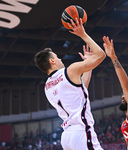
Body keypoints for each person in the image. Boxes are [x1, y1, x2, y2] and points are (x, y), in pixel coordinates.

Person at [34, 18, 106, 150]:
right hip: (81, 132)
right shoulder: (70, 71)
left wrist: (88, 66)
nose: (60, 59)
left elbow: (80, 90)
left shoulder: (47, 86)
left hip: (67, 137)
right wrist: (83, 34)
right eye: (56, 57)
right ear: (52, 61)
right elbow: (101, 55)